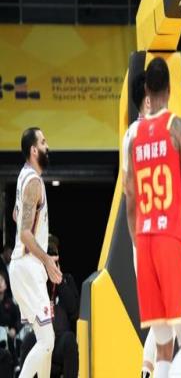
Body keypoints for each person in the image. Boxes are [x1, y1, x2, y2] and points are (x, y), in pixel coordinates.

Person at [125, 57, 181, 378]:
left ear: (148, 92)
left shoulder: (133, 137)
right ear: (168, 89)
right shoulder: (176, 127)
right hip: (171, 240)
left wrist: (139, 244)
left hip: (144, 244)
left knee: (163, 348)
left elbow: (130, 199)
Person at [9, 127, 62, 378]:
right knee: (47, 341)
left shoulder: (24, 176)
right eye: (43, 142)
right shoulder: (33, 182)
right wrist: (47, 261)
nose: (47, 146)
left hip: (25, 265)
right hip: (27, 265)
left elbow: (16, 215)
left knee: (46, 344)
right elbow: (25, 234)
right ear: (33, 150)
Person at [20, 237, 79, 378]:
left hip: (59, 342)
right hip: (41, 338)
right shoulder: (37, 282)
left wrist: (59, 280)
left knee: (69, 339)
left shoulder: (66, 280)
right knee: (28, 340)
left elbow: (74, 311)